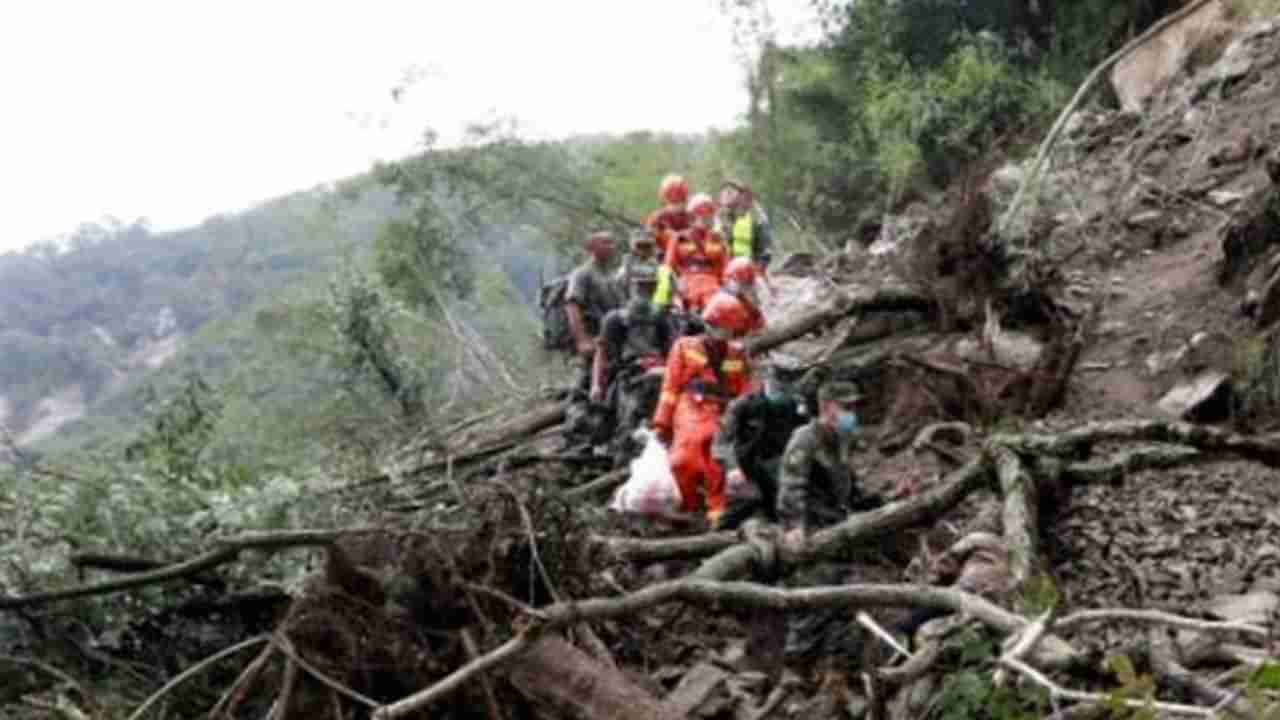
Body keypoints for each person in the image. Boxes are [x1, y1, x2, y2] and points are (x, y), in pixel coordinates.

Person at [776, 379, 880, 668]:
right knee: (810, 610)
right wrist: (795, 528)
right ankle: (794, 679)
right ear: (825, 407)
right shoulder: (805, 439)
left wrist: (886, 502)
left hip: (840, 536)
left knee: (845, 610)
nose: (852, 414)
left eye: (854, 407)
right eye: (845, 407)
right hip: (814, 538)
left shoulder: (841, 441)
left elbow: (850, 490)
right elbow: (791, 486)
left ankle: (835, 679)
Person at [651, 291, 755, 527]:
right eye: (719, 326)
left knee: (717, 458)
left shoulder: (737, 355)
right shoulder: (684, 346)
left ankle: (716, 511)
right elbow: (670, 387)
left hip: (723, 409)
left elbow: (745, 391)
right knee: (684, 459)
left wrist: (745, 421)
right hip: (691, 406)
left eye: (728, 329)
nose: (723, 333)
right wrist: (661, 424)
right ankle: (689, 506)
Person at [710, 365, 808, 529]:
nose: (781, 389)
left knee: (788, 507)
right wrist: (732, 468)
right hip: (747, 468)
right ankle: (715, 537)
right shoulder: (743, 405)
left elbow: (805, 436)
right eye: (777, 383)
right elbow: (721, 442)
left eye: (786, 385)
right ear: (767, 380)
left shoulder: (795, 406)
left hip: (778, 467)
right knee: (742, 504)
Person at [591, 295, 674, 463]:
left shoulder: (659, 319)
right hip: (629, 374)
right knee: (623, 418)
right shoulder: (615, 321)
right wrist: (596, 384)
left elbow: (672, 352)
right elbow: (601, 353)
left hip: (657, 374)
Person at [563, 231, 623, 445]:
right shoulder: (582, 274)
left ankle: (601, 438)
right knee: (582, 389)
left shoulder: (611, 275)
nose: (612, 246)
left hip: (608, 344)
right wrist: (582, 339)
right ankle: (574, 437)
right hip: (591, 342)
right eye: (606, 242)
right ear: (592, 247)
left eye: (612, 242)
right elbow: (572, 306)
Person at [655, 192, 728, 318]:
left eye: (710, 217)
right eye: (704, 217)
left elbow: (725, 271)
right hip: (687, 287)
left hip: (712, 288)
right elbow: (667, 268)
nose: (708, 221)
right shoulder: (680, 238)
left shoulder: (718, 240)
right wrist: (667, 297)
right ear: (693, 218)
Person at [717, 181, 774, 289]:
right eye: (724, 193)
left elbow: (765, 252)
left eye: (730, 192)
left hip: (747, 270)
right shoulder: (717, 216)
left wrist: (758, 271)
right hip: (723, 270)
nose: (726, 196)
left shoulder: (755, 217)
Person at [718, 257, 766, 335]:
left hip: (732, 280)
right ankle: (748, 327)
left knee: (748, 305)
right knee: (744, 306)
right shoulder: (746, 271)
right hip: (733, 282)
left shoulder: (748, 267)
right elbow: (745, 291)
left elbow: (751, 287)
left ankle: (753, 325)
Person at [613, 230, 661, 302]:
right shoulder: (628, 262)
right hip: (631, 303)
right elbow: (619, 285)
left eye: (647, 246)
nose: (644, 249)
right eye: (640, 246)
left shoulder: (655, 263)